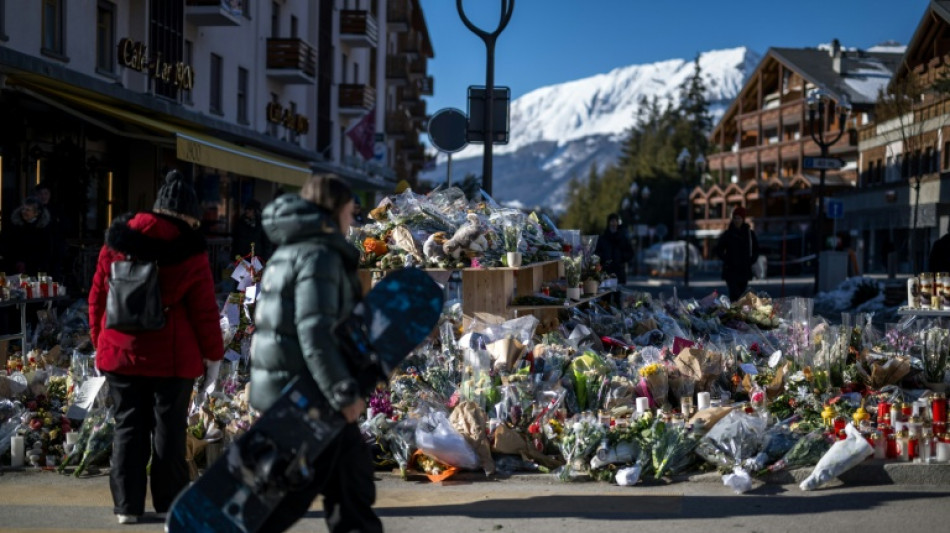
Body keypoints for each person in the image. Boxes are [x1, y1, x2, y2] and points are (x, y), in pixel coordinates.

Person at [87, 170, 224, 524]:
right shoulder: (191, 249)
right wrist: (214, 356)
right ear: (185, 213)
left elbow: (98, 296)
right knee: (169, 431)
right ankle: (168, 504)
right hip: (173, 359)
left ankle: (126, 508)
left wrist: (99, 342)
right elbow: (205, 311)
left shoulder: (116, 240)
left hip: (120, 351)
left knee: (128, 428)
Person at [250, 174, 381, 533]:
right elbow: (315, 332)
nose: (352, 222)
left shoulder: (287, 250)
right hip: (308, 396)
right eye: (349, 212)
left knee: (350, 482)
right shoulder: (318, 256)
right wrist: (342, 391)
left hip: (294, 390)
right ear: (334, 209)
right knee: (291, 493)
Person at [715, 206, 760, 302]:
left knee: (742, 296)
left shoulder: (749, 234)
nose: (736, 220)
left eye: (739, 218)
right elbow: (718, 249)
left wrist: (750, 261)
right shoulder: (728, 234)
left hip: (744, 271)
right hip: (731, 271)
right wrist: (727, 259)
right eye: (735, 218)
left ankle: (738, 315)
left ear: (743, 219)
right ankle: (734, 315)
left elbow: (756, 249)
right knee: (735, 295)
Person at [0, 197, 54, 276]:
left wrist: (29, 263)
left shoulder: (44, 229)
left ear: (36, 213)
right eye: (23, 209)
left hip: (36, 270)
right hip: (13, 269)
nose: (24, 212)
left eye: (28, 210)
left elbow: (46, 252)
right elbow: (5, 244)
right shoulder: (13, 225)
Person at [594, 213, 635, 285]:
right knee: (605, 295)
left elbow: (630, 253)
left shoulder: (623, 238)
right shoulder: (603, 238)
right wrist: (603, 259)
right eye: (611, 221)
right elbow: (597, 253)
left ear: (617, 223)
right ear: (608, 223)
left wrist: (621, 257)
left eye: (615, 221)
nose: (613, 223)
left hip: (619, 272)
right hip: (606, 272)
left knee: (618, 294)